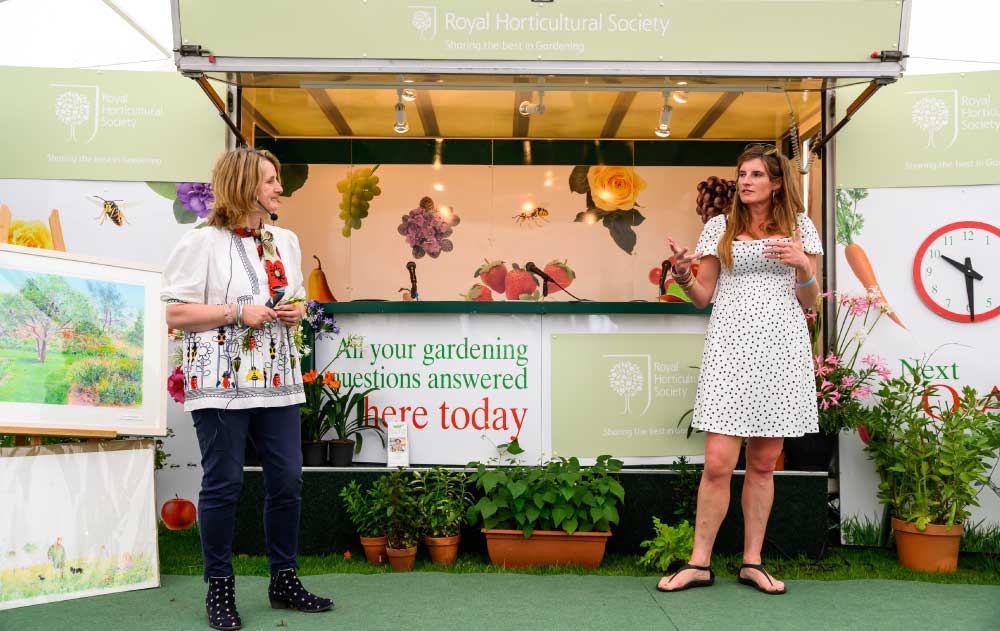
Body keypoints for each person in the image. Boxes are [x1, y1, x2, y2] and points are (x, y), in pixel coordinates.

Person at [162, 148, 332, 630]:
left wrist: (297, 310)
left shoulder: (286, 241)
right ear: (242, 186)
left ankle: (284, 580)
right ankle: (219, 587)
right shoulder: (200, 243)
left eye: (277, 180)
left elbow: (294, 296)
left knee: (288, 481)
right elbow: (174, 311)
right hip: (219, 382)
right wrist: (236, 312)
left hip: (277, 380)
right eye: (270, 180)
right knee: (224, 484)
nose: (280, 188)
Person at [657, 144, 822, 595]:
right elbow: (702, 296)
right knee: (717, 463)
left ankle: (752, 562)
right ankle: (698, 564)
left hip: (781, 348)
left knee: (764, 464)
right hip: (730, 348)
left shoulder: (800, 226)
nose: (745, 181)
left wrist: (803, 265)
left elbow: (810, 300)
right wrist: (683, 273)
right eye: (742, 174)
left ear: (776, 182)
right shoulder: (720, 226)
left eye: (755, 175)